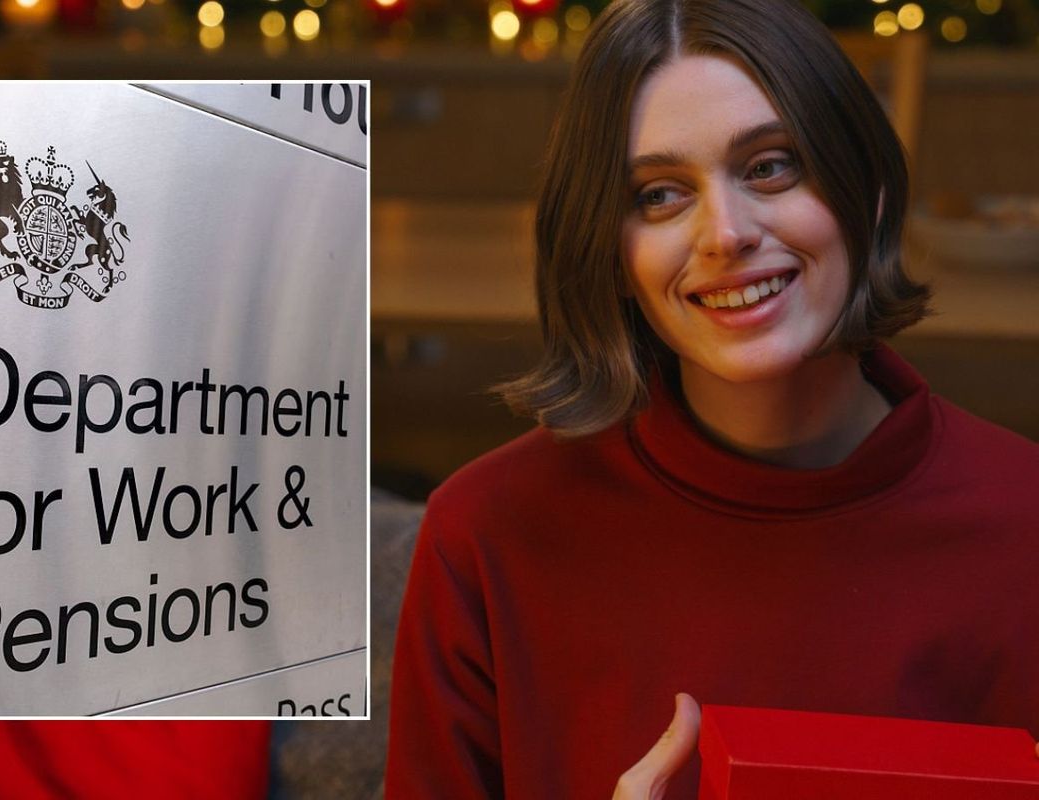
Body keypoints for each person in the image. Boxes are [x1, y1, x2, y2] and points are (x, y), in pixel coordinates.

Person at [384, 1, 1039, 798]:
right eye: (659, 194)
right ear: (610, 249)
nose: (724, 233)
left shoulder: (1024, 527)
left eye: (770, 166)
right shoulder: (485, 538)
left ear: (864, 185)